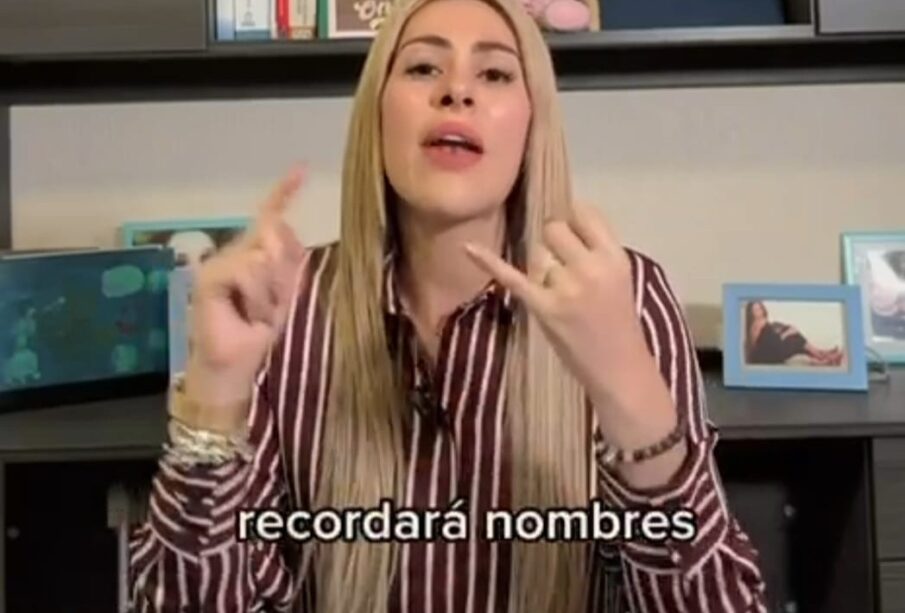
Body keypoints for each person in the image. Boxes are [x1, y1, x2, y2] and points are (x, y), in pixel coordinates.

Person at [127, 0, 767, 610]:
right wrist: (214, 395)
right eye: (423, 67)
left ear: (533, 124)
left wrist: (629, 391)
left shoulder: (624, 295)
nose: (457, 91)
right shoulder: (286, 302)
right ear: (377, 114)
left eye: (494, 73)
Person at [744, 300, 843, 366]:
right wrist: (787, 333)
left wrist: (787, 331)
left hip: (771, 352)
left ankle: (821, 356)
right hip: (769, 356)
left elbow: (772, 339)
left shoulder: (762, 323)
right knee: (797, 340)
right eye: (756, 310)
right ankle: (821, 355)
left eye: (760, 308)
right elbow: (773, 343)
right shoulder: (757, 324)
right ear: (751, 313)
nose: (759, 311)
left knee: (798, 341)